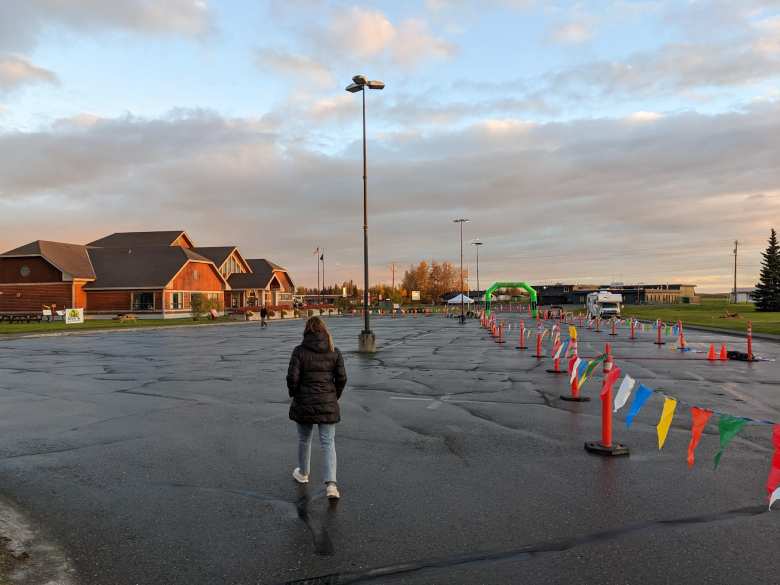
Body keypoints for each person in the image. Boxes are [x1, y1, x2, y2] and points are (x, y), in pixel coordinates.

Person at [286, 316, 347, 499]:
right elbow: (342, 378)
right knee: (328, 442)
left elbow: (292, 378)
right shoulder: (333, 351)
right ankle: (331, 485)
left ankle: (303, 473)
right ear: (324, 330)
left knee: (304, 439)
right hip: (327, 401)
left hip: (304, 402)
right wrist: (334, 395)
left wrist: (295, 394)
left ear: (307, 330)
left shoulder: (299, 351)